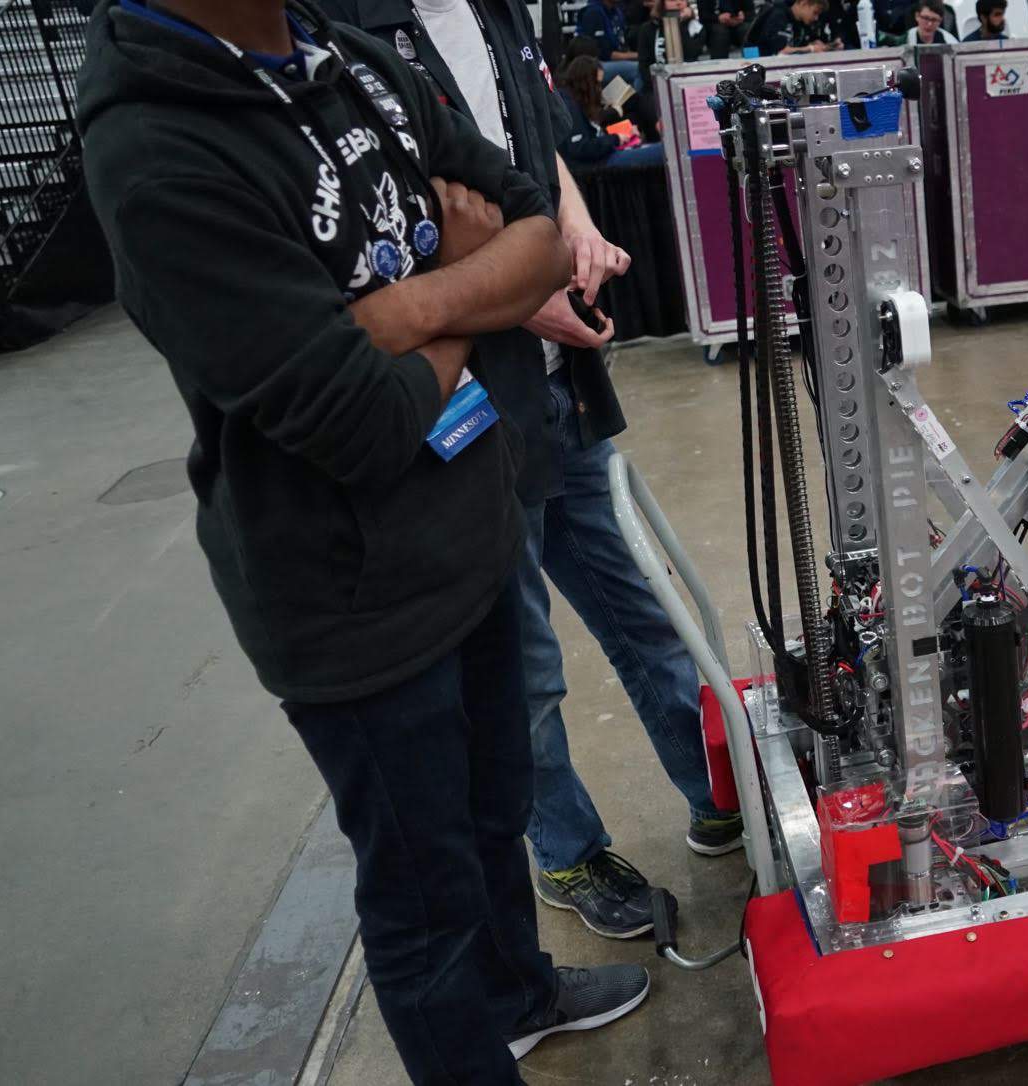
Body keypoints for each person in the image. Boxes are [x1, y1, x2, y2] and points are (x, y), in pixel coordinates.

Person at [77, 1, 652, 1080]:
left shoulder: (348, 56)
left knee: (498, 811)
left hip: (470, 527)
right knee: (425, 902)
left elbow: (533, 230)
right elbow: (363, 422)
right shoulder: (157, 150)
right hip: (353, 602)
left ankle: (519, 994)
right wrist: (477, 288)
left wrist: (412, 309)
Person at [324, 0, 745, 943]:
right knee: (524, 668)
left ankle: (718, 791)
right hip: (464, 405)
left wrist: (576, 231)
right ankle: (565, 850)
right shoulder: (346, 32)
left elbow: (537, 148)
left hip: (558, 389)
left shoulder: (494, 10)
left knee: (647, 612)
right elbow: (381, 244)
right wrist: (519, 293)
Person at [558, 53, 666, 167]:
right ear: (586, 84)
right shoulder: (570, 108)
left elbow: (593, 135)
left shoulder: (576, 101)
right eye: (597, 84)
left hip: (604, 155)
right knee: (662, 151)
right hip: (600, 162)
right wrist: (616, 138)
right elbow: (581, 148)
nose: (599, 90)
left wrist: (624, 132)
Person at [578, 0, 644, 83]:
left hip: (613, 60)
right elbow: (604, 54)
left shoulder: (616, 11)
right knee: (639, 69)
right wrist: (640, 55)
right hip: (594, 65)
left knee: (647, 64)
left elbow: (622, 45)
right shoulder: (593, 12)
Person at [751, 0, 837, 54]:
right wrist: (811, 48)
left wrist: (812, 44)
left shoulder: (802, 23)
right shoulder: (778, 15)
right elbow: (782, 51)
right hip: (758, 63)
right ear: (803, 3)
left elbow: (797, 46)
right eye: (815, 13)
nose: (816, 18)